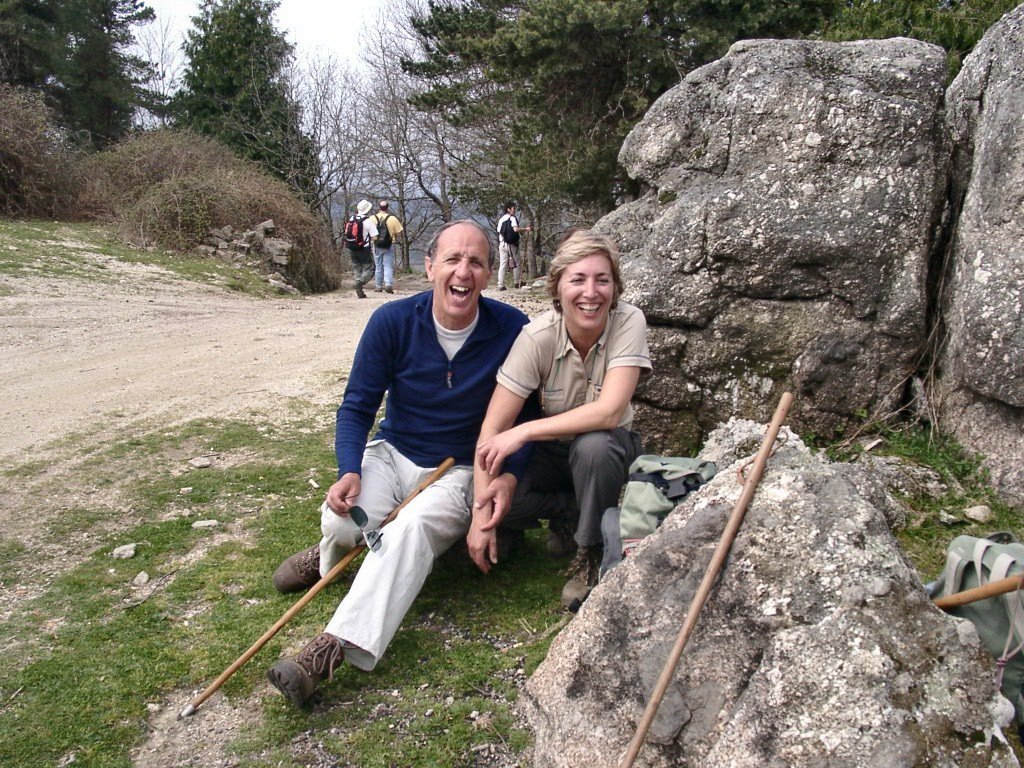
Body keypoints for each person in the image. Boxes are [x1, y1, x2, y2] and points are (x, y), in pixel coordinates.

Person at [267, 220, 530, 708]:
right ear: (430, 267)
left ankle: (327, 652)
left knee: (411, 528)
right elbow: (356, 406)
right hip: (392, 452)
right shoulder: (391, 321)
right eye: (452, 259)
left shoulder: (513, 329)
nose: (463, 271)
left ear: (488, 274)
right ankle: (327, 558)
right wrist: (350, 469)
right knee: (345, 521)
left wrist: (508, 476)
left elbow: (528, 418)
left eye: (476, 262)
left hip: (459, 469)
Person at [468, 229, 651, 612]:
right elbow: (492, 430)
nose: (591, 293)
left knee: (594, 446)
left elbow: (609, 411)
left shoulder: (628, 321)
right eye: (578, 280)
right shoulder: (536, 338)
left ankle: (590, 554)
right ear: (558, 287)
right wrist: (480, 517)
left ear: (615, 287)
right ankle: (571, 515)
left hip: (609, 448)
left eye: (602, 280)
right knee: (495, 494)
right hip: (552, 455)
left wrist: (525, 431)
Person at [345, 199, 378, 299]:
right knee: (369, 268)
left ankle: (359, 288)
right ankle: (360, 282)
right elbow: (374, 237)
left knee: (357, 267)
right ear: (367, 210)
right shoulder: (368, 221)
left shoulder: (352, 218)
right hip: (364, 248)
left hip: (351, 247)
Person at [495, 201, 531, 291]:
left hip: (502, 244)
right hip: (511, 245)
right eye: (513, 208)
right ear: (509, 209)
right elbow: (515, 229)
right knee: (517, 262)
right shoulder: (512, 218)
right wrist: (526, 229)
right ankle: (517, 282)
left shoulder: (501, 219)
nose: (514, 210)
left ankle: (500, 284)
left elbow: (499, 231)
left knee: (503, 264)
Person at [373, 200, 404, 294]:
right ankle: (388, 284)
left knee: (378, 266)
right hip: (389, 244)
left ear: (379, 207)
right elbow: (399, 232)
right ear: (387, 208)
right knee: (388, 265)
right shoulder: (392, 218)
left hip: (376, 245)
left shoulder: (372, 218)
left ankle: (378, 286)